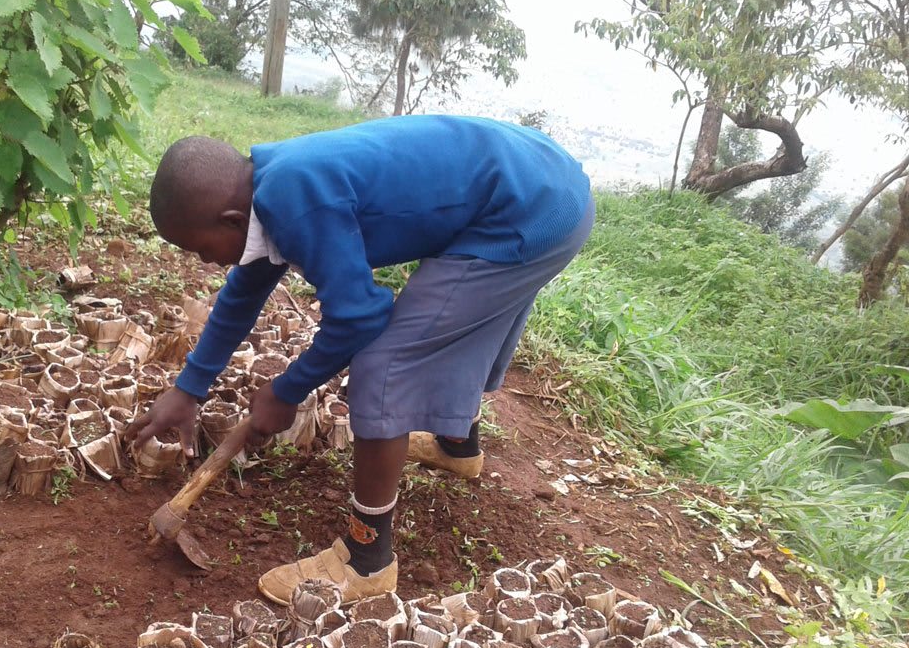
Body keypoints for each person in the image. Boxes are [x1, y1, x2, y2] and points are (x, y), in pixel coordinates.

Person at [125, 115, 594, 606]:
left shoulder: (297, 202)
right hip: (537, 179)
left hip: (531, 209)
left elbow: (359, 318)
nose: (205, 262)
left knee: (386, 361)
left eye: (202, 250)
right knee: (447, 315)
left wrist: (287, 391)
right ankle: (458, 445)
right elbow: (243, 293)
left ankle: (366, 559)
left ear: (231, 222)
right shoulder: (269, 187)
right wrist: (189, 387)